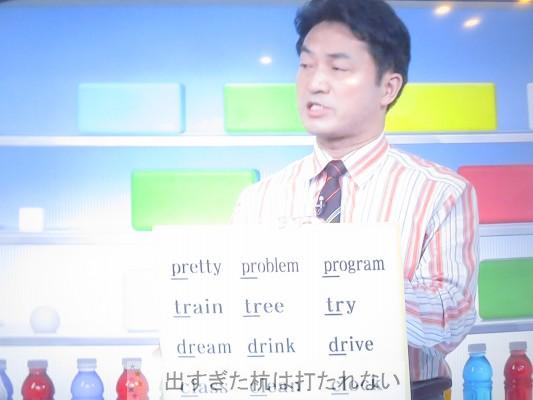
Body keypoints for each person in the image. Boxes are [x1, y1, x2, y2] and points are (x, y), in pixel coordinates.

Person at [232, 0, 479, 398]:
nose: (315, 83)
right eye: (306, 65)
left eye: (338, 67)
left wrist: (346, 271)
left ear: (388, 87)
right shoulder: (258, 200)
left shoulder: (441, 192)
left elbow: (452, 319)